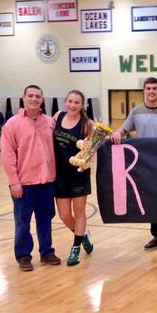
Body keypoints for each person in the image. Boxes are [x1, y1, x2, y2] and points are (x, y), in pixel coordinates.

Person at [111, 77, 157, 251]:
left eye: (154, 88)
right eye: (148, 88)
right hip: (145, 165)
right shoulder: (135, 112)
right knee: (151, 199)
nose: (151, 91)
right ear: (144, 90)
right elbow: (124, 129)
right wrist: (117, 133)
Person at [0, 85, 61, 271]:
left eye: (38, 96)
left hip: (47, 182)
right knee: (22, 222)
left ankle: (47, 252)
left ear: (42, 99)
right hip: (23, 185)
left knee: (45, 219)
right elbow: (7, 155)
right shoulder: (12, 124)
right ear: (23, 98)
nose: (34, 99)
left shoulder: (50, 122)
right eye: (31, 96)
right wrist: (14, 182)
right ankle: (24, 256)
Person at [53, 90, 94, 266]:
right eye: (70, 101)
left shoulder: (87, 124)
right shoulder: (57, 117)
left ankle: (76, 249)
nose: (72, 105)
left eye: (77, 102)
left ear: (82, 105)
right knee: (63, 215)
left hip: (78, 173)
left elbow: (92, 148)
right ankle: (82, 234)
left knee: (79, 212)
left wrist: (88, 155)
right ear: (65, 101)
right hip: (60, 173)